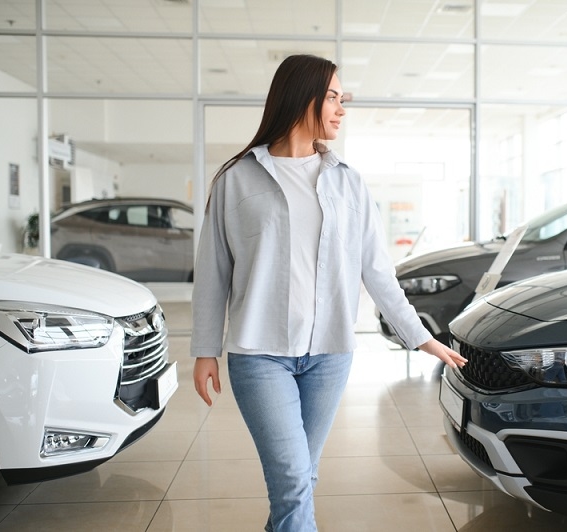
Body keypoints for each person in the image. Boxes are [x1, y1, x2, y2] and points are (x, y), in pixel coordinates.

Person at [191, 54, 467, 532]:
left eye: (342, 99)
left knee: (299, 479)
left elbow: (378, 272)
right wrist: (204, 350)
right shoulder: (235, 180)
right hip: (260, 357)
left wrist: (421, 337)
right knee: (294, 477)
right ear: (304, 97)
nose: (341, 109)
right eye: (334, 97)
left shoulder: (348, 182)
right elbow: (213, 271)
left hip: (329, 356)